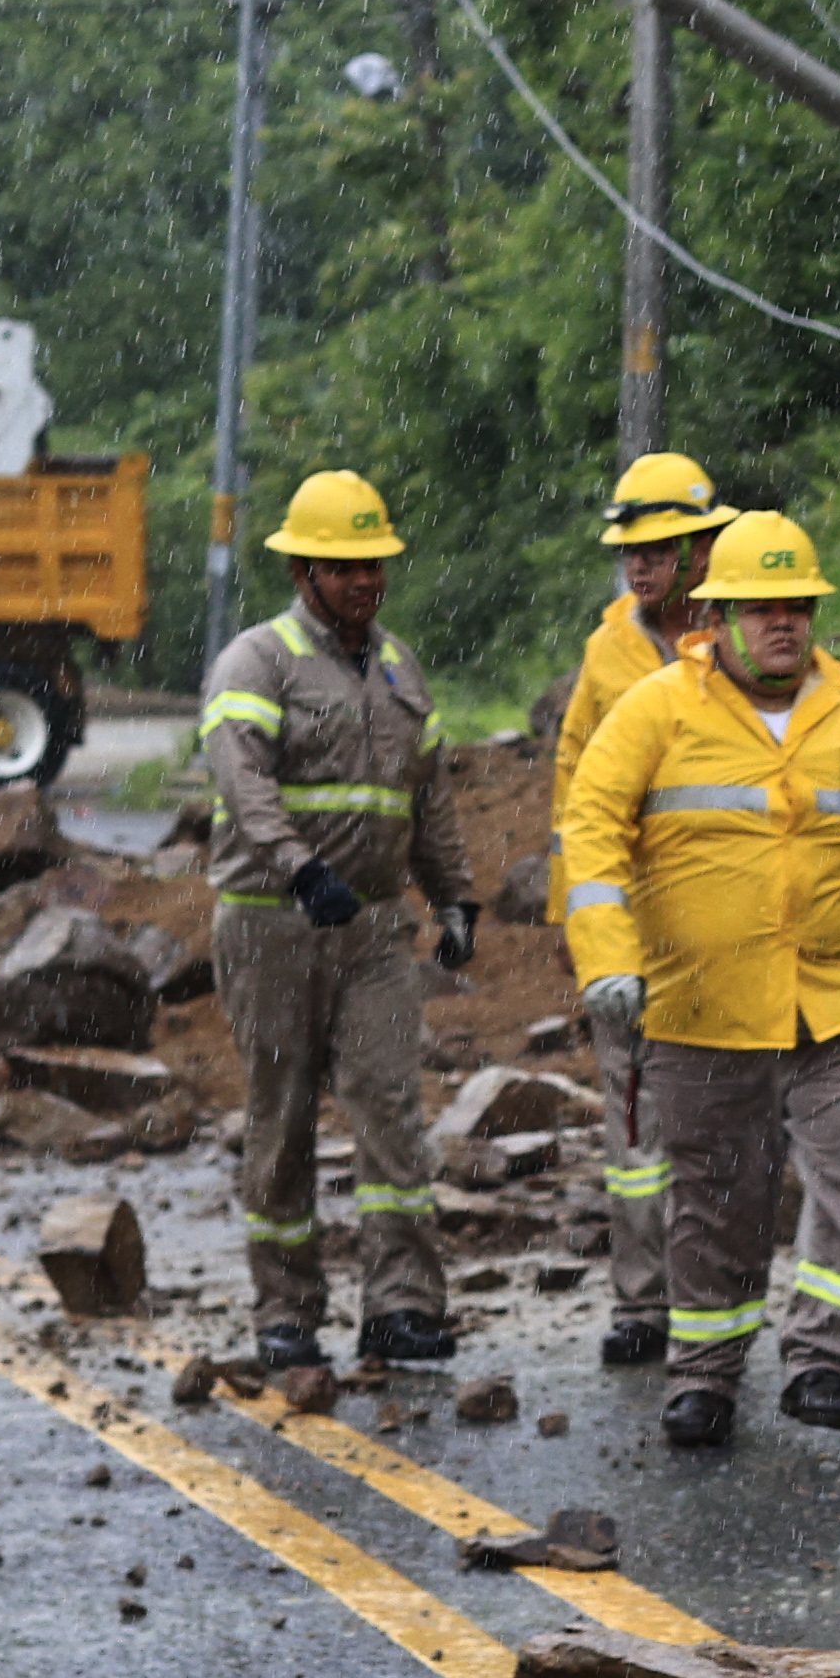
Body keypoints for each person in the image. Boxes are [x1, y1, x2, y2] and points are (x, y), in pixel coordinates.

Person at [559, 508, 840, 1452]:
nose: (784, 623)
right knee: (718, 1197)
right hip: (703, 1004)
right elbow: (593, 833)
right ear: (719, 615)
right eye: (763, 607)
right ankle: (705, 1375)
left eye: (798, 606)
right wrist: (610, 962)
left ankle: (822, 1361)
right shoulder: (658, 710)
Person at [200, 470, 481, 1375]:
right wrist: (299, 867)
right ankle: (285, 1308)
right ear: (304, 572)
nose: (366, 581)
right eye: (346, 567)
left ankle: (401, 1305)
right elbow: (241, 783)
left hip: (374, 933)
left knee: (392, 1109)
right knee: (280, 1118)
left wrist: (456, 898)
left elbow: (425, 797)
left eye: (375, 566)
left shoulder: (400, 668)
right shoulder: (258, 661)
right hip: (272, 927)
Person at [557, 451, 735, 1369]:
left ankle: (718, 1298)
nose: (640, 565)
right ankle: (641, 1303)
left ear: (702, 548)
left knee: (722, 1123)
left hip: (727, 927)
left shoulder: (747, 633)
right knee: (634, 1128)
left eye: (660, 547)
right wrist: (583, 931)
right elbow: (575, 790)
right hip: (634, 925)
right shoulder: (608, 652)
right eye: (631, 549)